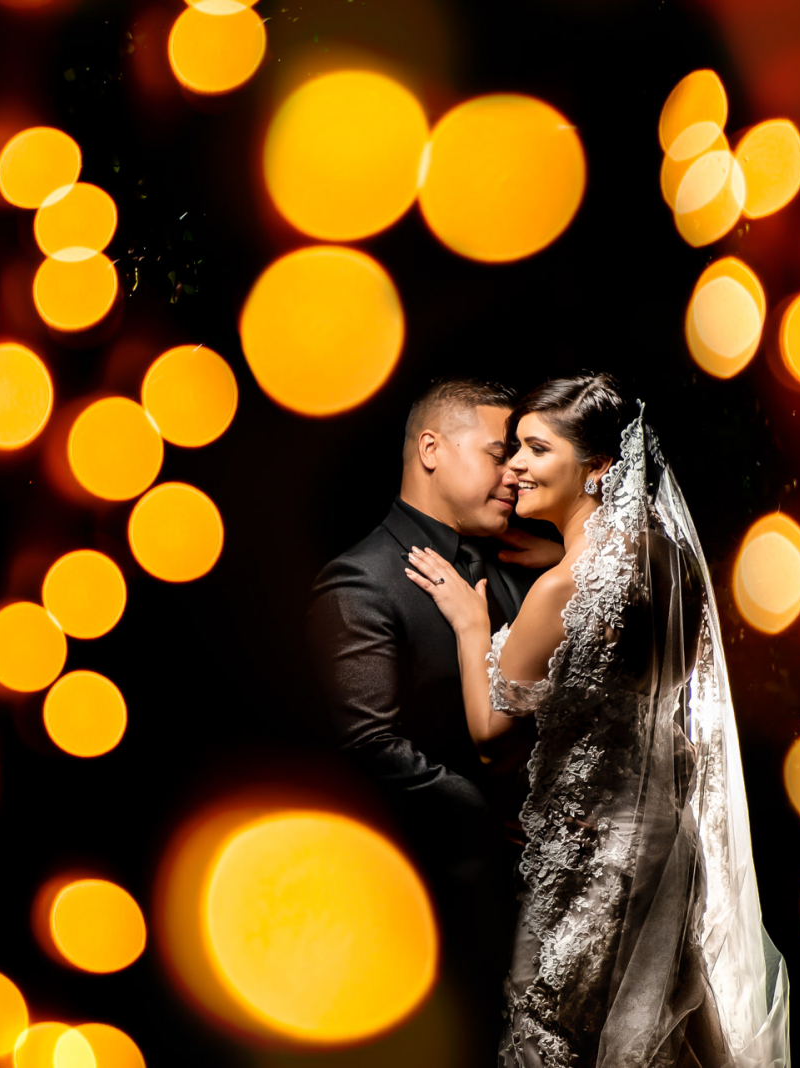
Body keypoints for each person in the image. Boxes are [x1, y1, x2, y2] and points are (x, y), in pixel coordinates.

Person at [403, 374, 789, 1068]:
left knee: (556, 1037)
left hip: (583, 863)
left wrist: (470, 625)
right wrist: (564, 552)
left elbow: (493, 737)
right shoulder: (670, 561)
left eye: (536, 450)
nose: (513, 466)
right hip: (661, 853)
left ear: (599, 468)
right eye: (513, 447)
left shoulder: (557, 592)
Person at [305, 377, 566, 1065]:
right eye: (496, 452)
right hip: (438, 913)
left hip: (546, 904)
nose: (514, 474)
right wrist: (488, 813)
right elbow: (365, 745)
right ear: (430, 448)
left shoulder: (521, 572)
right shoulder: (359, 583)